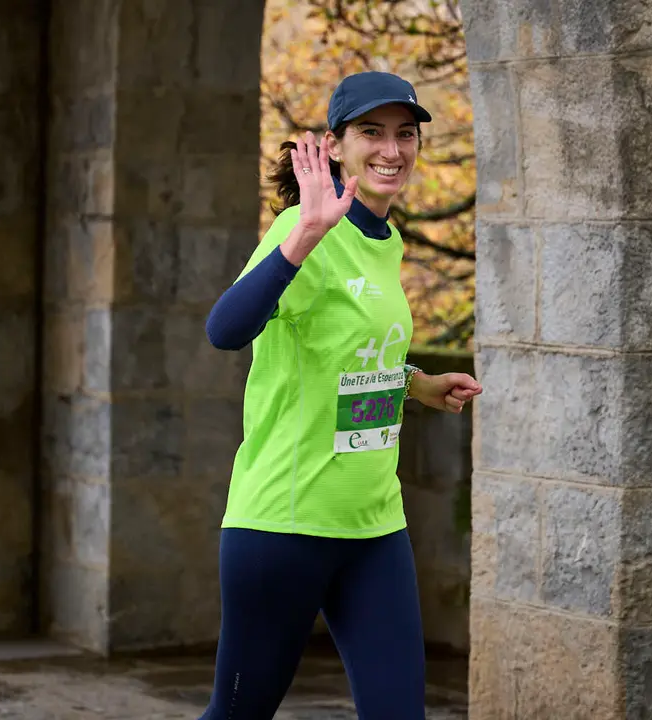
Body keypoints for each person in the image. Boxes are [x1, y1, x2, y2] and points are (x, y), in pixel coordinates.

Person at [200, 71, 483, 719]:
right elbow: (224, 331)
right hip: (282, 524)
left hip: (374, 527)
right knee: (237, 714)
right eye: (370, 133)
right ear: (333, 146)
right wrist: (303, 236)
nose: (391, 149)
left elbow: (349, 354)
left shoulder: (387, 242)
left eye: (404, 135)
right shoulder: (303, 228)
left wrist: (421, 385)